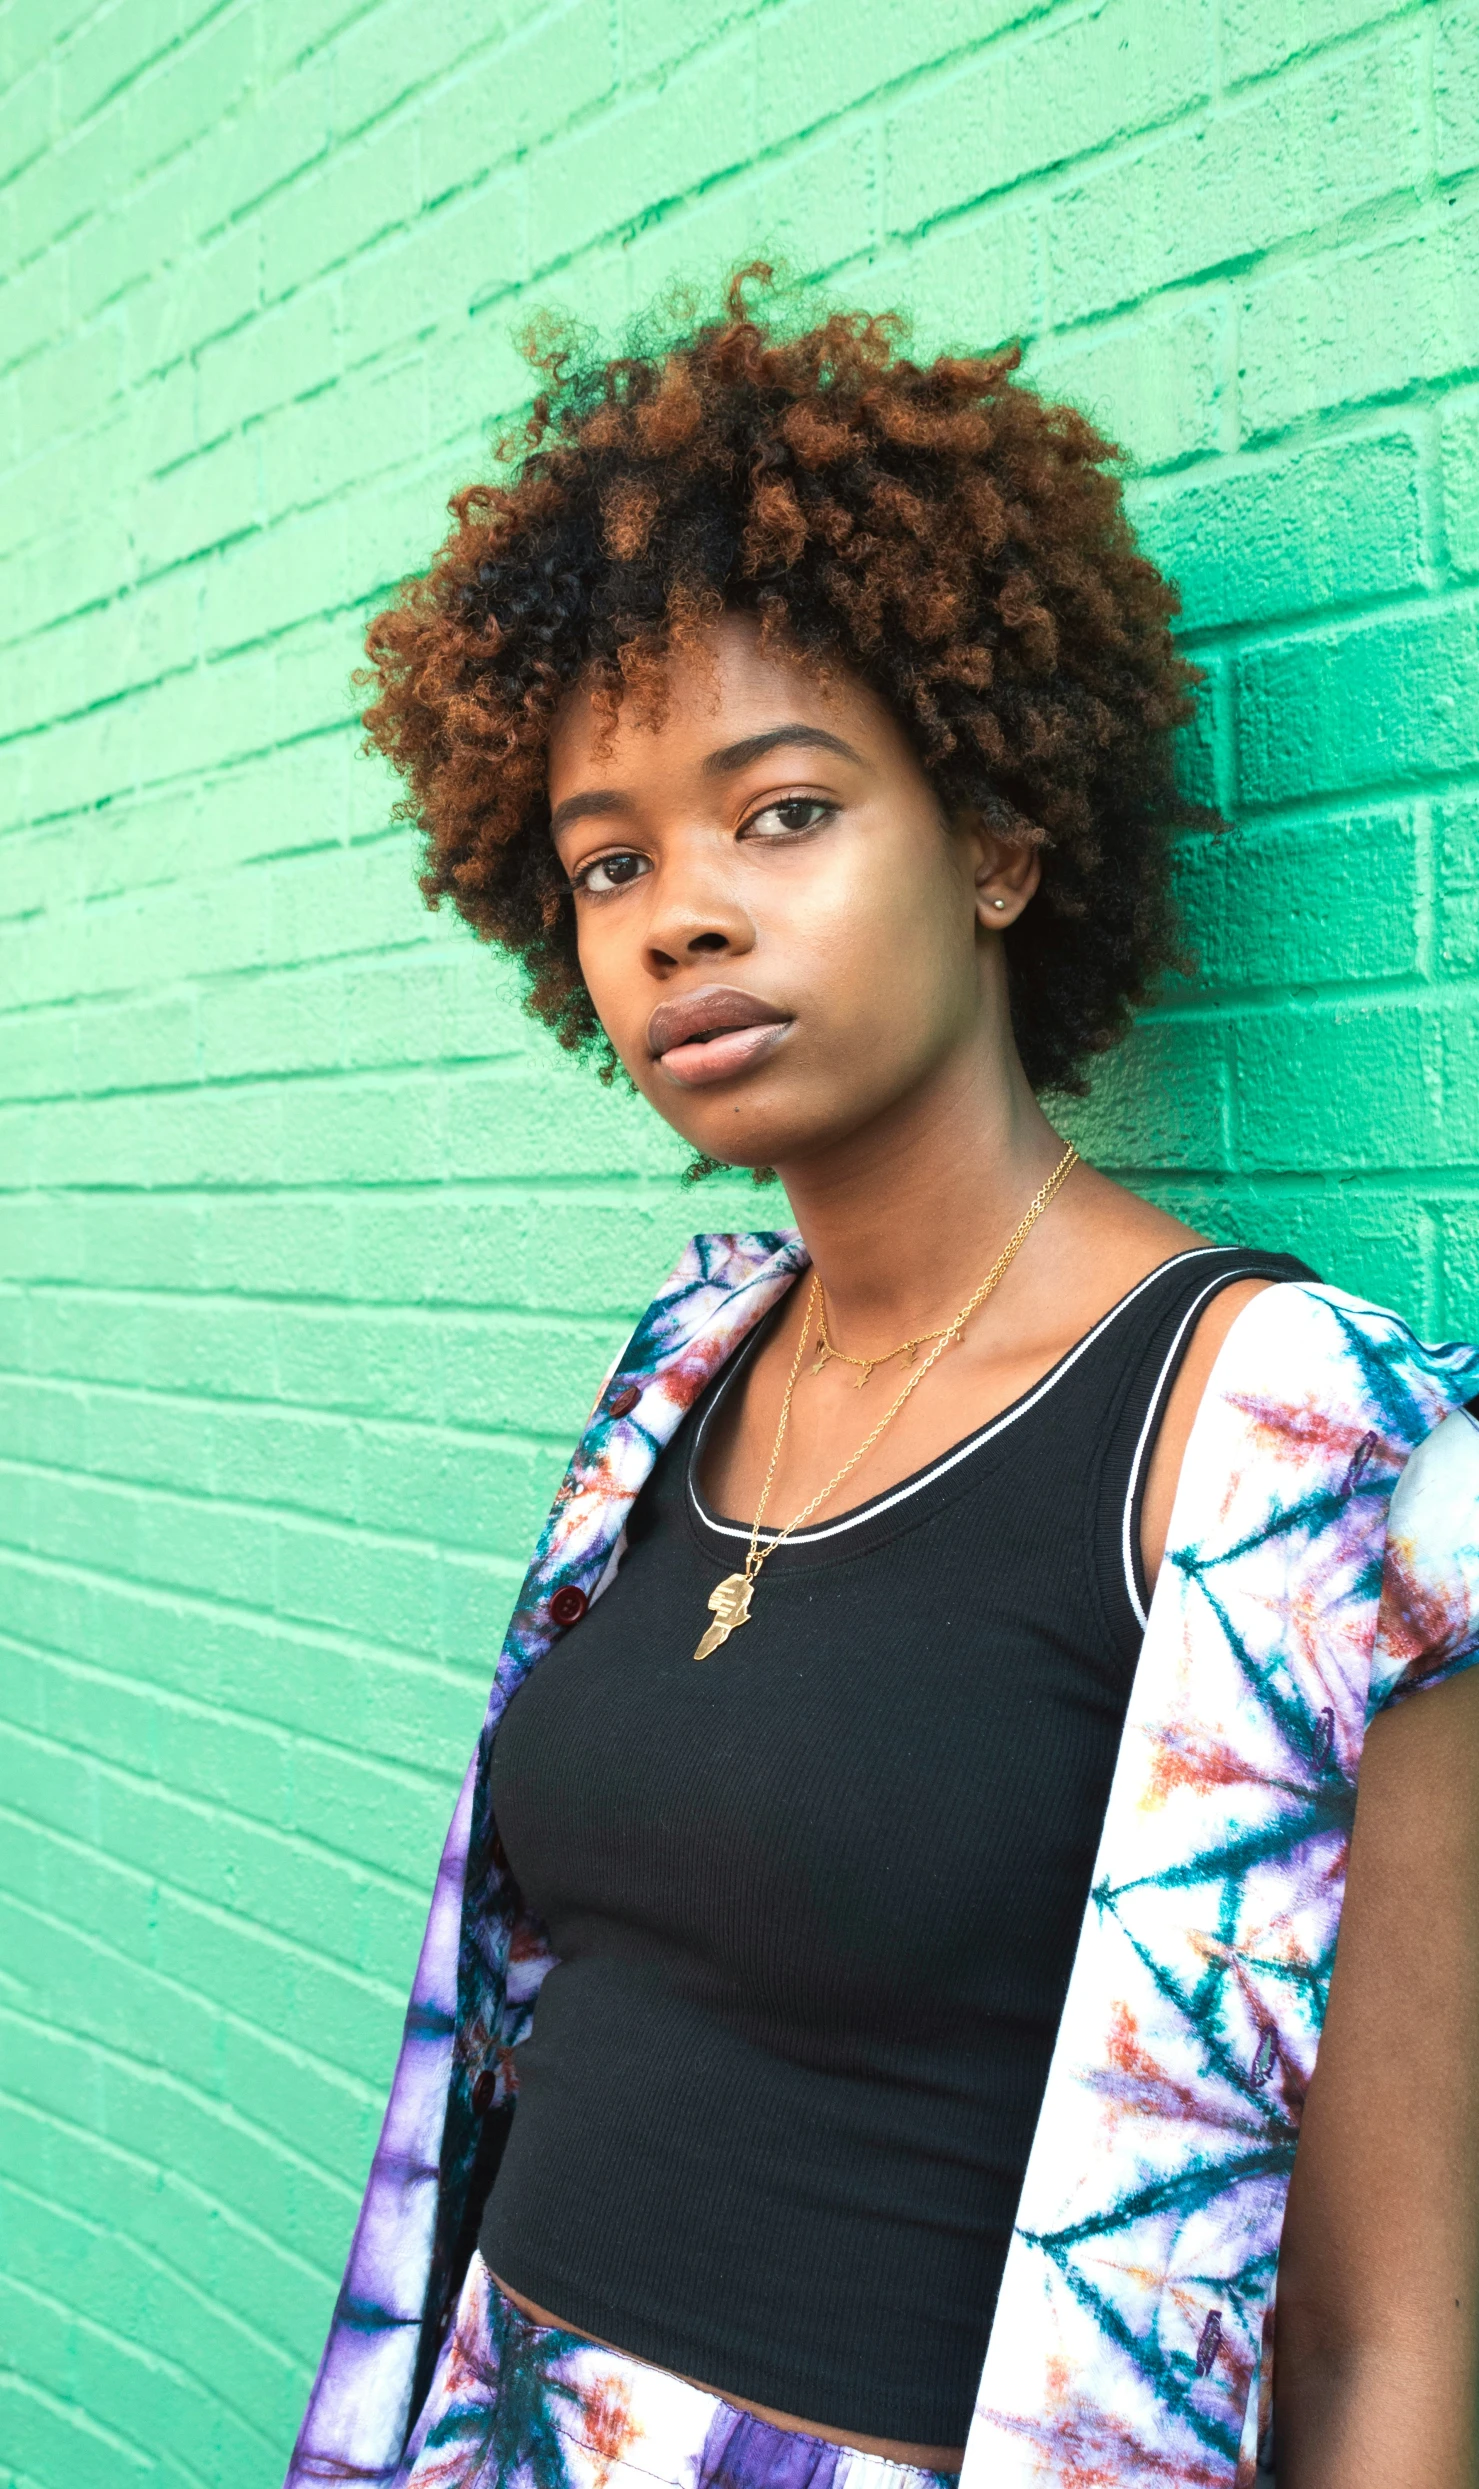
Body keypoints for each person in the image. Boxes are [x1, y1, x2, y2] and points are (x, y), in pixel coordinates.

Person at [284, 272, 1479, 2489]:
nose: (677, 916)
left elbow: (1387, 2330)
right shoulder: (682, 1369)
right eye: (608, 860)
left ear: (1002, 843)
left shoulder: (1288, 1438)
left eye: (784, 812)